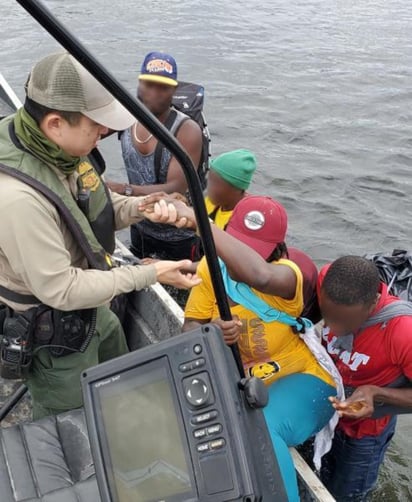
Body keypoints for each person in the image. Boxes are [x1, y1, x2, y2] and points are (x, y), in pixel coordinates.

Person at [0, 51, 200, 420]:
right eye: (96, 126)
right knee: (69, 423)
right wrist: (152, 273)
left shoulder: (57, 150)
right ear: (56, 123)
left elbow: (93, 204)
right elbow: (61, 289)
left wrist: (141, 207)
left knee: (119, 378)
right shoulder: (17, 199)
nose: (105, 134)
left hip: (95, 308)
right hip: (52, 330)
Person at [138, 194, 339, 501]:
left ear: (279, 251)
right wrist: (210, 331)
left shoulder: (288, 275)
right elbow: (188, 330)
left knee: (263, 425)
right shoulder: (210, 270)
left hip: (302, 377)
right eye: (238, 245)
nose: (238, 265)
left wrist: (195, 219)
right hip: (247, 384)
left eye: (254, 251)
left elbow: (258, 274)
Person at [318, 256, 412, 501]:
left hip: (365, 434)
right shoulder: (328, 279)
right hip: (327, 410)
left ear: (372, 306)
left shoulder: (402, 332)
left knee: (345, 496)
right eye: (327, 316)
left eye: (345, 323)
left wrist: (375, 392)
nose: (333, 328)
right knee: (316, 477)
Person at [107, 51, 203, 261]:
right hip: (139, 221)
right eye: (149, 84)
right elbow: (90, 132)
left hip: (178, 234)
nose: (154, 93)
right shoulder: (127, 117)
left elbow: (175, 187)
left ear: (174, 90)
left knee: (176, 289)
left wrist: (123, 189)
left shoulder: (186, 130)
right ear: (139, 83)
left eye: (162, 87)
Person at [205, 149, 256, 228]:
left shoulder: (244, 221)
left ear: (237, 188)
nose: (209, 187)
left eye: (216, 183)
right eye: (210, 180)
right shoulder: (211, 202)